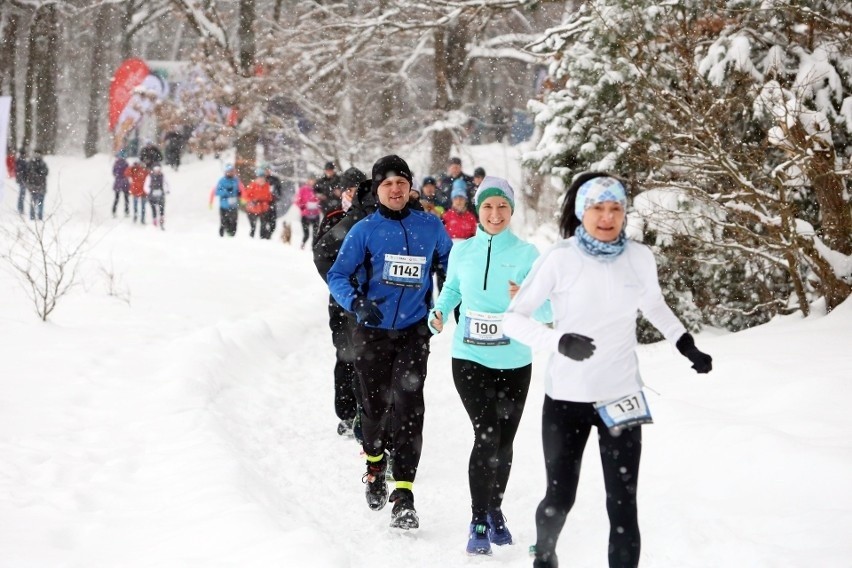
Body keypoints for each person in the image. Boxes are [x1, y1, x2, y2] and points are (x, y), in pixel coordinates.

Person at [501, 172, 714, 568]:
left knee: (623, 505)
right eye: (598, 207)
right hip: (567, 397)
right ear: (583, 211)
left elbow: (654, 305)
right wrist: (559, 341)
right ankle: (544, 557)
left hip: (622, 395)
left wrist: (685, 344)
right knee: (560, 498)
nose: (607, 216)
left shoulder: (638, 257)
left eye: (615, 208)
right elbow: (513, 319)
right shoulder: (561, 258)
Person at [326, 155, 453, 530]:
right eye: (387, 184)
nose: (395, 189)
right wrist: (356, 303)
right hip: (372, 331)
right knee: (375, 406)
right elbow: (338, 274)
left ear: (410, 186)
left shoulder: (430, 226)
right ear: (377, 189)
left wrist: (449, 301)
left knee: (410, 407)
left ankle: (404, 494)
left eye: (401, 182)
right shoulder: (364, 230)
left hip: (414, 331)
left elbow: (451, 268)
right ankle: (375, 463)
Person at [429, 176, 552, 555]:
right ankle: (478, 519)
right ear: (477, 210)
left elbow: (549, 311)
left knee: (504, 441)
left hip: (515, 361)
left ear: (511, 211)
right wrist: (440, 311)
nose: (495, 214)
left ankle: (495, 508)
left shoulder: (528, 254)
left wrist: (528, 298)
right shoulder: (462, 250)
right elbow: (451, 289)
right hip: (470, 357)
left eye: (502, 207)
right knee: (486, 435)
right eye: (487, 206)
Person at [313, 167, 372, 439]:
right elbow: (323, 254)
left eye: (358, 189)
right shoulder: (335, 219)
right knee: (346, 356)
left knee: (369, 358)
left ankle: (368, 410)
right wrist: (343, 288)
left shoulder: (374, 217)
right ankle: (347, 413)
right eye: (349, 190)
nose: (354, 194)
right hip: (341, 301)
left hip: (370, 298)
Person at [209, 163, 243, 237]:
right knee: (224, 222)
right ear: (225, 172)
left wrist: (242, 198)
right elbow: (215, 191)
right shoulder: (222, 181)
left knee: (234, 222)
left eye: (232, 171)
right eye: (229, 171)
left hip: (234, 205)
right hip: (224, 205)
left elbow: (242, 190)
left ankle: (231, 236)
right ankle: (222, 236)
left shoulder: (236, 180)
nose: (230, 173)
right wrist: (226, 192)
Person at [243, 167, 274, 238]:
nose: (261, 179)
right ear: (257, 178)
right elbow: (245, 196)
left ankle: (262, 238)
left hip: (263, 209)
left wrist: (267, 202)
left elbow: (269, 197)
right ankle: (252, 237)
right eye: (260, 177)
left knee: (263, 225)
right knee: (253, 226)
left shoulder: (267, 186)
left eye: (263, 177)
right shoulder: (252, 185)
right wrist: (252, 201)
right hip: (252, 209)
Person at [294, 174, 321, 249]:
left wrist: (318, 204)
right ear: (308, 180)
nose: (312, 181)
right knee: (306, 234)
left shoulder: (318, 189)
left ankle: (313, 248)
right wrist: (304, 206)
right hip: (305, 214)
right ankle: (302, 246)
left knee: (315, 234)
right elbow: (297, 201)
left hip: (316, 214)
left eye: (313, 180)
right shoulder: (303, 189)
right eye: (310, 179)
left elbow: (321, 200)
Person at [143, 165, 171, 230]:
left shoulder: (163, 176)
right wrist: (149, 191)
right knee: (153, 208)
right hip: (152, 195)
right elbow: (146, 186)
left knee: (161, 208)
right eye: (156, 170)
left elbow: (167, 183)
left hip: (161, 194)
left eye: (158, 170)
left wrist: (166, 190)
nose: (157, 172)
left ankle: (161, 220)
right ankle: (154, 220)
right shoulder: (149, 177)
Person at [262, 164, 285, 240]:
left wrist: (276, 197)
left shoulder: (275, 179)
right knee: (263, 223)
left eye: (268, 170)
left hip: (272, 203)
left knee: (273, 223)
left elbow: (279, 191)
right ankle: (263, 238)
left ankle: (268, 236)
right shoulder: (260, 179)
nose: (267, 172)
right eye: (265, 170)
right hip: (262, 204)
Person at [27, 151, 49, 221]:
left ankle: (34, 216)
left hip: (35, 186)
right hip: (39, 186)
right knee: (39, 203)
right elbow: (46, 173)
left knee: (36, 202)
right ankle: (38, 216)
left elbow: (28, 174)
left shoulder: (32, 163)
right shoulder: (42, 164)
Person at [125, 160, 149, 224]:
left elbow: (127, 173)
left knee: (141, 206)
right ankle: (138, 218)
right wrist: (133, 167)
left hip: (141, 191)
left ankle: (141, 218)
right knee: (139, 206)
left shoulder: (145, 172)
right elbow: (127, 173)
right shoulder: (135, 170)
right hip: (137, 191)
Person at [112, 151, 130, 218]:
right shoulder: (126, 164)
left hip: (118, 182)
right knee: (126, 198)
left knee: (117, 198)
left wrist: (118, 176)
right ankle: (126, 211)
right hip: (125, 182)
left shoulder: (116, 164)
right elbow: (128, 173)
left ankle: (114, 211)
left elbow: (114, 173)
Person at [15, 147, 28, 215]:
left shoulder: (19, 160)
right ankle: (20, 209)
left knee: (21, 195)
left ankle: (20, 208)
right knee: (22, 195)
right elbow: (22, 171)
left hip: (21, 180)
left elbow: (18, 171)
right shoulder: (22, 161)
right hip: (23, 180)